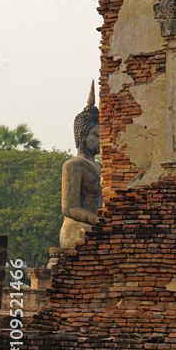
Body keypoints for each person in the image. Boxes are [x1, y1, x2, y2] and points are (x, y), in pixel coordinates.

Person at [59, 81, 102, 249]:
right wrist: (100, 222)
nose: (101, 140)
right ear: (83, 135)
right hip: (75, 227)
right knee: (92, 237)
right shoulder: (73, 165)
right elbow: (69, 208)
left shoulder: (100, 167)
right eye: (96, 135)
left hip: (98, 225)